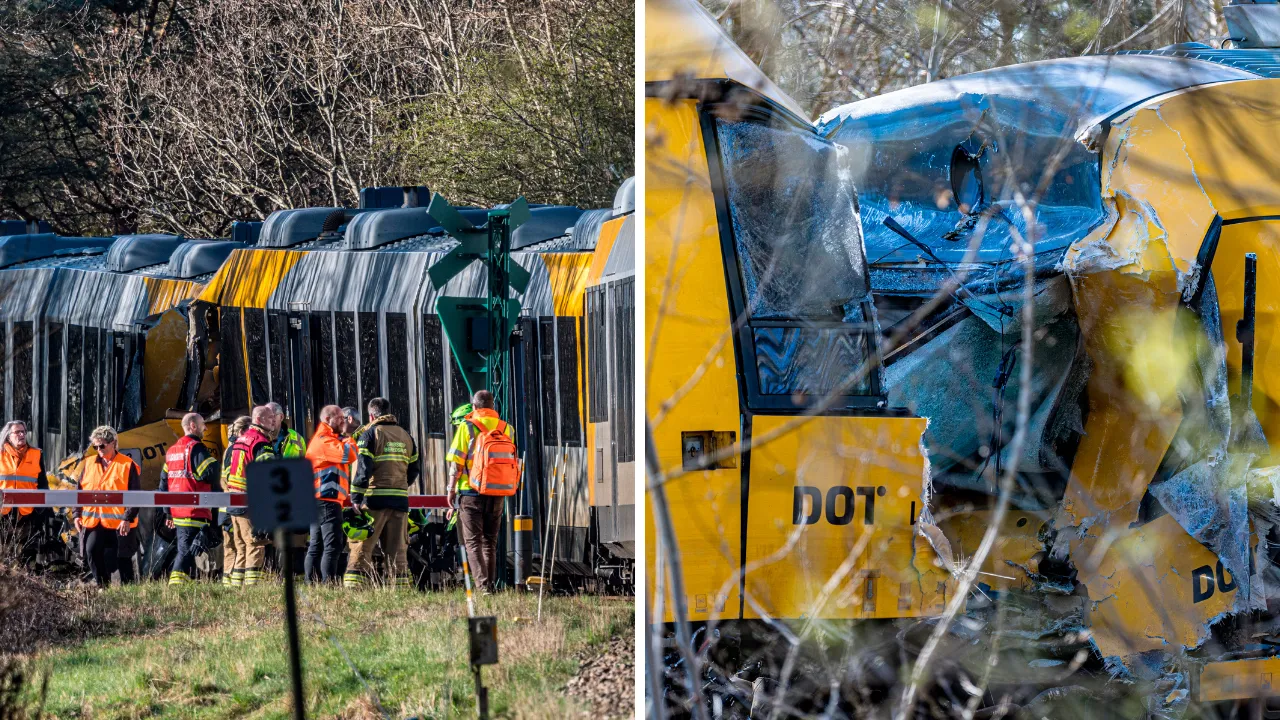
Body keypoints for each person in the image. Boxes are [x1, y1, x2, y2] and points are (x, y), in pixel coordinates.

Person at [447, 390, 519, 595]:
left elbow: (457, 461)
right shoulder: (507, 428)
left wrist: (450, 489)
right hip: (497, 493)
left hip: (470, 492)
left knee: (473, 542)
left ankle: (483, 587)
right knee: (490, 542)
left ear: (474, 407)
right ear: (493, 406)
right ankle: (490, 585)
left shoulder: (467, 426)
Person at [344, 397, 419, 589]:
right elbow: (414, 469)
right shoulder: (406, 436)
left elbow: (363, 469)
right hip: (400, 500)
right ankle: (399, 588)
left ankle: (354, 587)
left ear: (371, 415)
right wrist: (400, 485)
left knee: (362, 545)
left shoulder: (370, 434)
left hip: (374, 500)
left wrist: (356, 498)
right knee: (397, 549)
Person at [74, 426, 141, 586]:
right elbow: (79, 491)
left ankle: (129, 593)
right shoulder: (89, 463)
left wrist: (127, 518)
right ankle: (102, 586)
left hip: (120, 522)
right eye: (95, 446)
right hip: (93, 521)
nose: (98, 449)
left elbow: (135, 496)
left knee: (122, 559)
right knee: (91, 551)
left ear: (113, 443)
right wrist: (77, 514)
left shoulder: (127, 465)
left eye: (102, 445)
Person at [158, 413, 220, 585]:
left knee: (190, 551)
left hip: (178, 513)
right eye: (202, 424)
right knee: (185, 553)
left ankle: (187, 586)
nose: (205, 428)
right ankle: (176, 587)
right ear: (193, 426)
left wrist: (167, 513)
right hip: (194, 511)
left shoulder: (171, 452)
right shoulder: (196, 448)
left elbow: (163, 486)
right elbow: (210, 473)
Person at [223, 406, 277, 586]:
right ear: (260, 420)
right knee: (256, 545)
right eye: (271, 418)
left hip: (234, 500)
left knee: (241, 546)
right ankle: (253, 588)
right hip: (250, 502)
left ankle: (236, 586)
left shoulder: (241, 440)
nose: (274, 421)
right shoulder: (261, 442)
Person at [305, 405, 355, 584]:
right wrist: (348, 437)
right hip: (326, 500)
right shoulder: (324, 441)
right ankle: (329, 584)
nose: (344, 420)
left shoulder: (326, 439)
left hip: (320, 500)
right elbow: (349, 455)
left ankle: (312, 582)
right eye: (340, 417)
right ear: (328, 419)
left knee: (316, 545)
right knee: (332, 546)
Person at [0, 420, 50, 565]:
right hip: (3, 512)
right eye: (17, 432)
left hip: (28, 512)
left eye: (23, 432)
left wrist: (40, 509)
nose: (21, 435)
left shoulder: (36, 454)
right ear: (9, 436)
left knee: (27, 553)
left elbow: (42, 483)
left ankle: (27, 582)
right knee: (4, 552)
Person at [220, 415, 252, 586]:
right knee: (242, 546)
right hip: (237, 505)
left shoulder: (228, 449)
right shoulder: (239, 449)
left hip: (226, 507)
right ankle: (237, 583)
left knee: (231, 547)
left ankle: (229, 584)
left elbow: (224, 479)